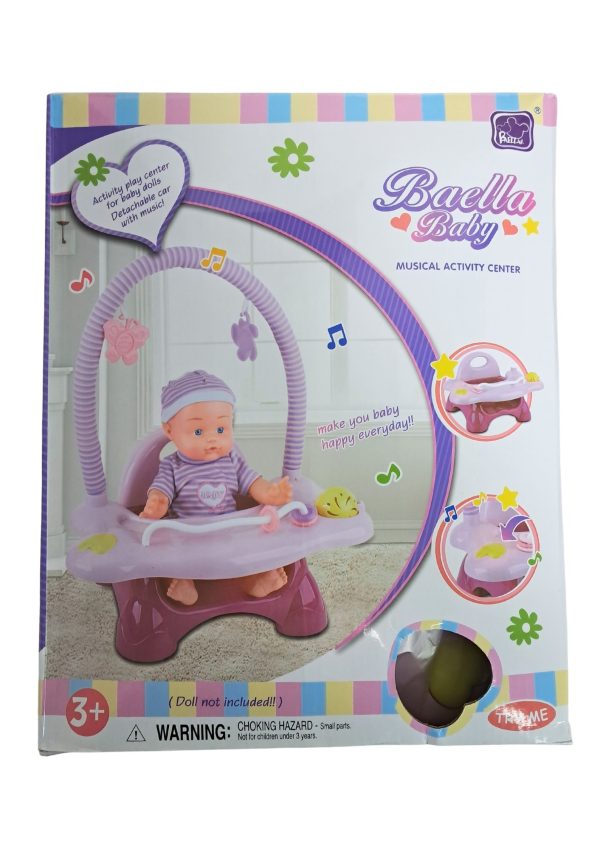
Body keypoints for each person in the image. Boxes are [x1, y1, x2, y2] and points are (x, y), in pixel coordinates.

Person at [141, 370, 292, 604]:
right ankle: (185, 585)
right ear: (170, 430)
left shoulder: (232, 460)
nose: (212, 439)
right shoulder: (172, 466)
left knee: (249, 556)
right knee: (168, 557)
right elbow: (161, 489)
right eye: (198, 431)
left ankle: (254, 582)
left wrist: (270, 493)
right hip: (188, 539)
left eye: (221, 429)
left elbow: (253, 482)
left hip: (228, 536)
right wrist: (157, 503)